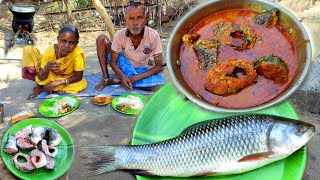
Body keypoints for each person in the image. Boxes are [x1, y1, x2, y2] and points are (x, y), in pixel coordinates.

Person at [95, 1, 165, 92]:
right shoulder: (120, 35)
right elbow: (113, 62)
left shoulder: (153, 36)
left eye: (139, 18)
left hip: (140, 70)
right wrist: (123, 76)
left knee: (160, 87)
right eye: (131, 18)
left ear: (146, 18)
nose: (135, 23)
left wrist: (135, 78)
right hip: (123, 66)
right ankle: (106, 77)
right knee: (101, 39)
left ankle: (119, 81)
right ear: (125, 20)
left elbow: (159, 66)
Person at [22, 24, 87, 99]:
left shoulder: (77, 54)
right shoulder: (50, 51)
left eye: (71, 42)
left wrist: (57, 83)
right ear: (58, 39)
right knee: (28, 50)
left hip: (67, 77)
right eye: (63, 41)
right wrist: (46, 69)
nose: (67, 45)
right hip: (50, 75)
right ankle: (39, 86)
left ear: (76, 43)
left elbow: (78, 77)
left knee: (81, 84)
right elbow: (41, 77)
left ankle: (54, 86)